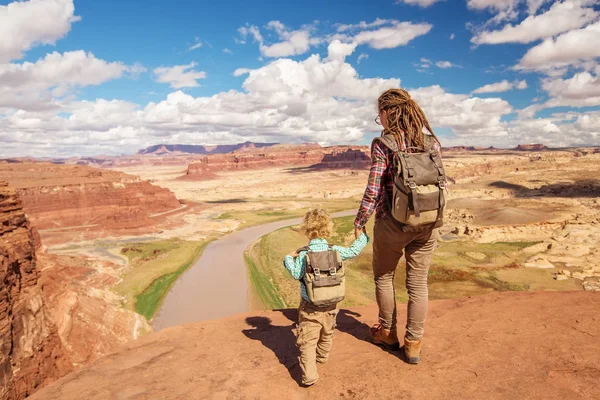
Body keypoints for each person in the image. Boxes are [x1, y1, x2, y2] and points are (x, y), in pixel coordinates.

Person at [354, 88, 443, 364]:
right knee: (418, 284)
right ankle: (413, 343)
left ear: (388, 113)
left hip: (392, 224)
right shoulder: (431, 143)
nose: (378, 119)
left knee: (384, 277)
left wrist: (360, 221)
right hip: (428, 221)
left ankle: (388, 333)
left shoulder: (384, 143)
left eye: (379, 113)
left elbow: (374, 188)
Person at [284, 209, 369, 386]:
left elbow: (294, 273)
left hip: (310, 305)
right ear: (327, 229)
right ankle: (322, 357)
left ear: (307, 230)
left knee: (307, 341)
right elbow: (353, 251)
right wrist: (362, 237)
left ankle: (309, 376)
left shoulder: (304, 255)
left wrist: (288, 258)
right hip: (332, 302)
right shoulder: (335, 250)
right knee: (328, 331)